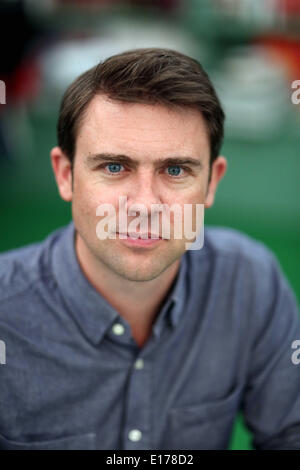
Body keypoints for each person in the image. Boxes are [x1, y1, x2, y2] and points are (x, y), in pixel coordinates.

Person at [0, 47, 300, 450]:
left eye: (175, 170)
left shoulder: (250, 281)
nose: (144, 205)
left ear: (211, 182)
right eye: (114, 167)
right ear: (66, 175)